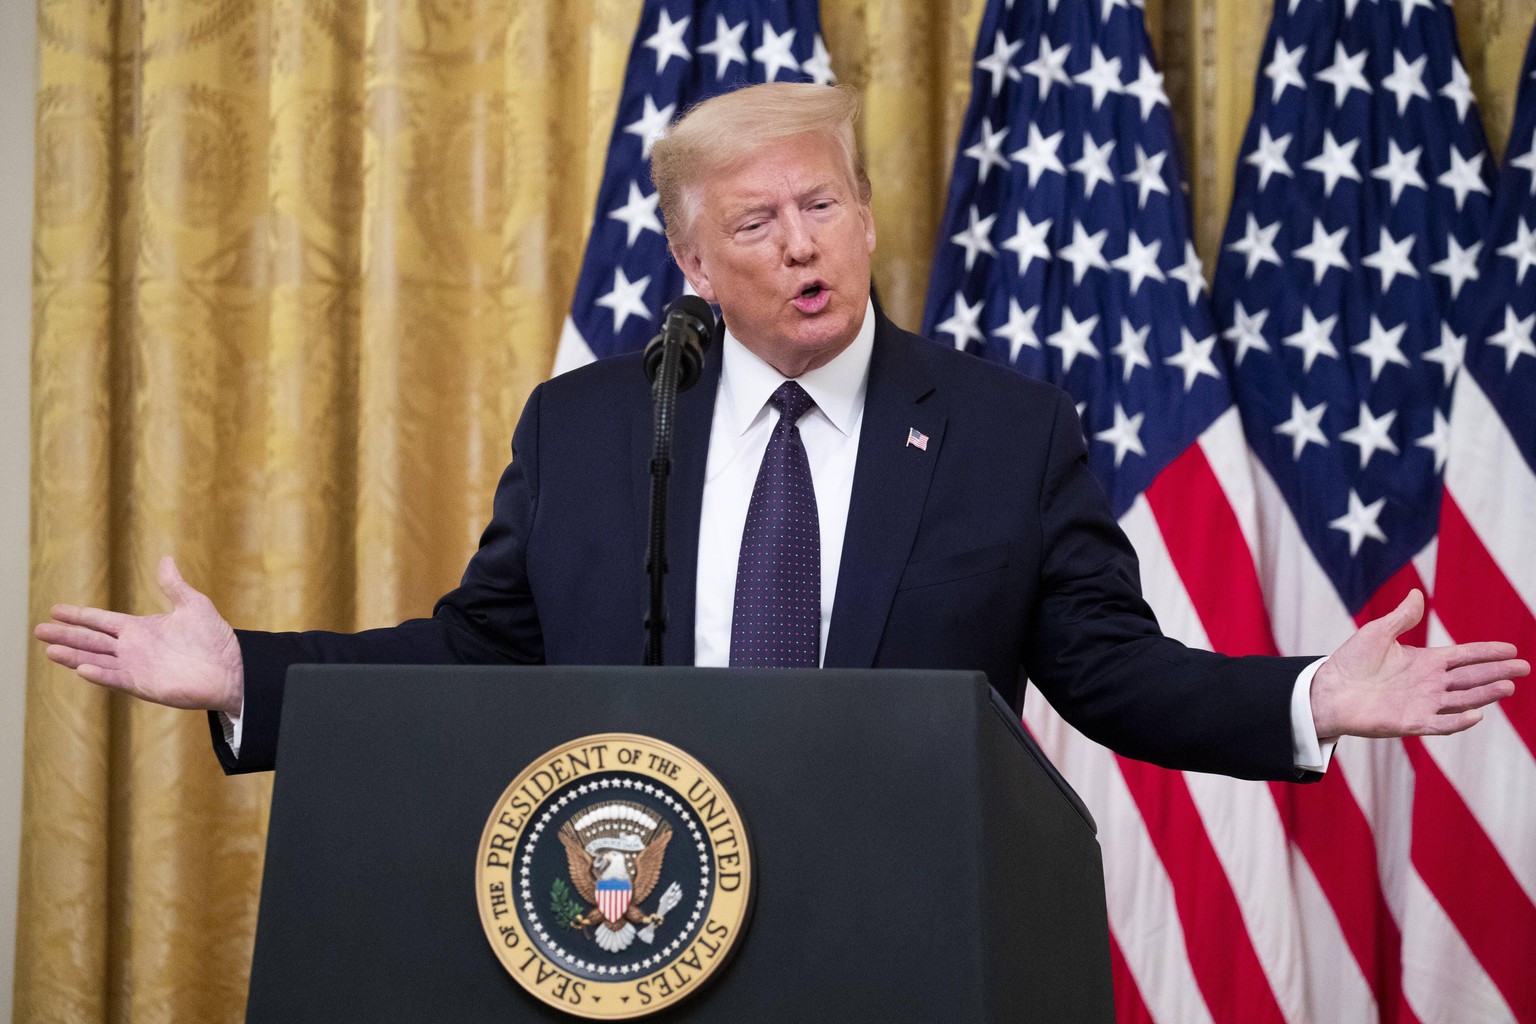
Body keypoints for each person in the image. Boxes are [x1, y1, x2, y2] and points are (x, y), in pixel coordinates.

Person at [36, 83, 1526, 779]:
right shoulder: (593, 429)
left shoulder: (1005, 432)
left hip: (900, 930)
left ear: (869, 216)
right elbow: (487, 650)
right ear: (694, 262)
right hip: (637, 917)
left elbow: (1108, 671)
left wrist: (1312, 697)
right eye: (756, 222)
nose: (804, 245)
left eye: (825, 205)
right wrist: (256, 678)